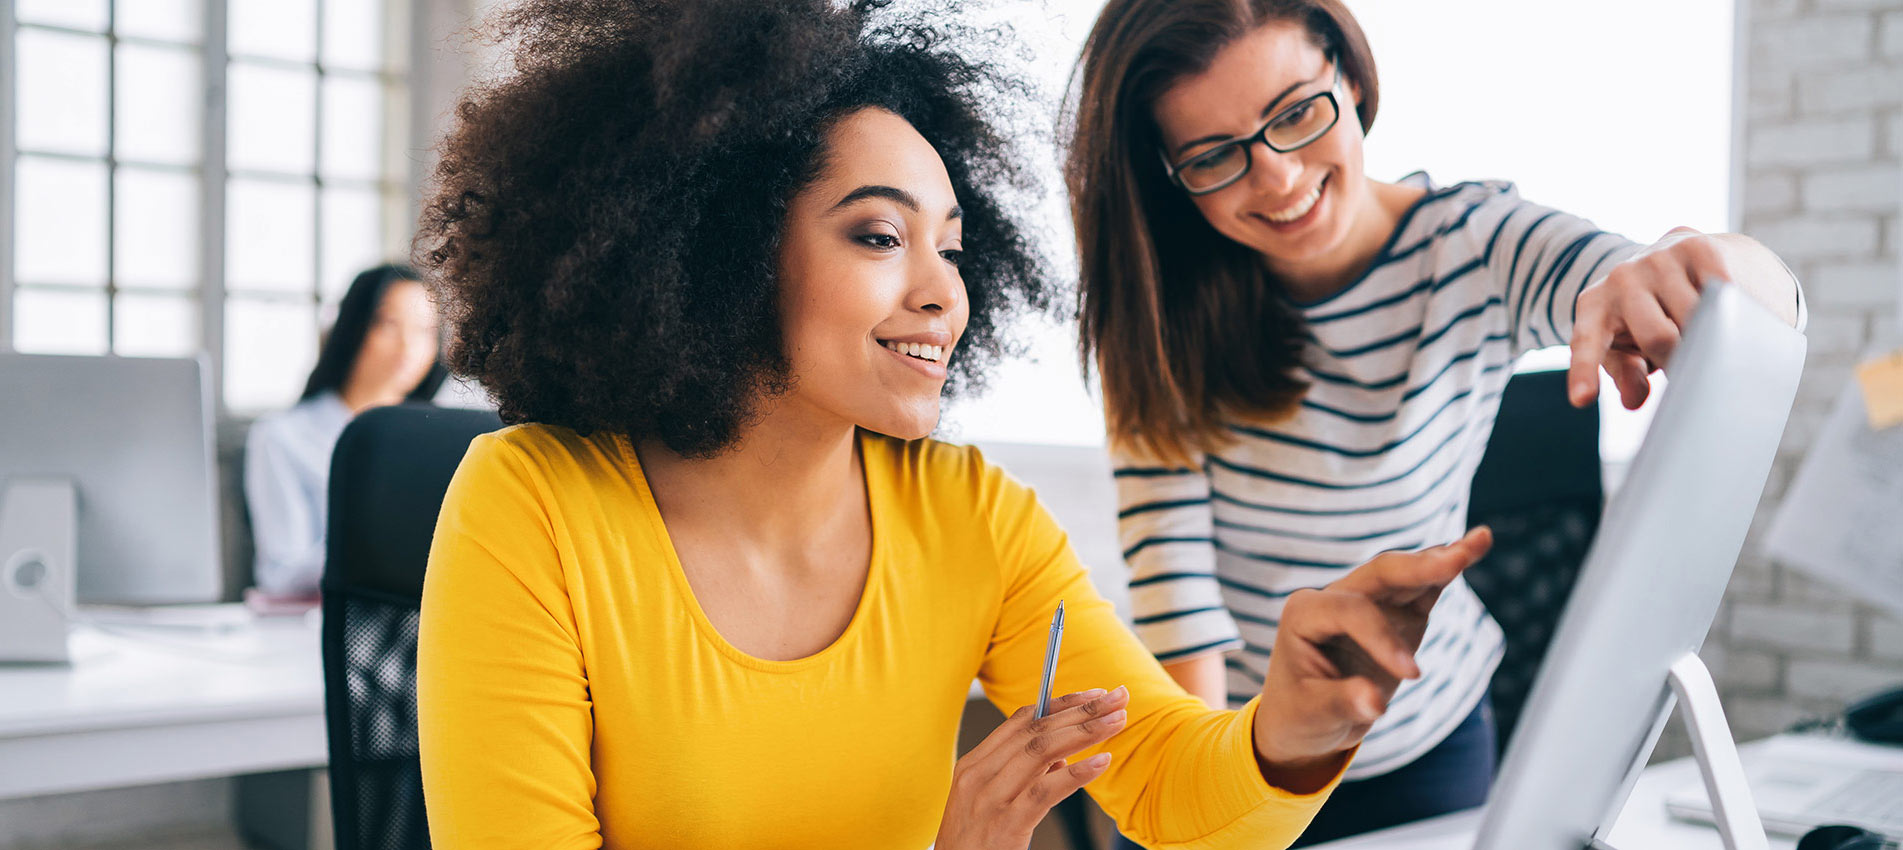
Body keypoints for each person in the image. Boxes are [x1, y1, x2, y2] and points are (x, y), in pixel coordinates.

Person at [410, 1, 1496, 847]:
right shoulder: (533, 507)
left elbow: (1167, 780)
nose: (944, 293)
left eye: (954, 244)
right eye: (879, 236)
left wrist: (1293, 726)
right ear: (723, 251)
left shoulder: (969, 518)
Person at [1064, 1, 1805, 845]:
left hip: (1429, 745)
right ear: (1165, 174)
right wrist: (1206, 801)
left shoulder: (1470, 246)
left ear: (1347, 75)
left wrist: (1711, 267)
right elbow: (1179, 607)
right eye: (1213, 158)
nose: (1274, 178)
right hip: (1243, 753)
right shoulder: (1159, 316)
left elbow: (1696, 287)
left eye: (1296, 113)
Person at [243, 264, 447, 597]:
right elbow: (280, 574)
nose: (408, 347)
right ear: (353, 327)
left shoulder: (441, 436)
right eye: (389, 324)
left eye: (426, 330)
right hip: (322, 625)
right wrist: (379, 540)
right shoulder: (283, 436)